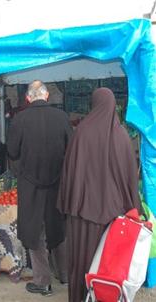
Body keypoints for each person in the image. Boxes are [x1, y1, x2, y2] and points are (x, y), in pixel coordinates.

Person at [56, 87, 142, 302]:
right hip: (112, 217)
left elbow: (69, 172)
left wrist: (69, 202)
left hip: (81, 213)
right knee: (107, 266)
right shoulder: (121, 136)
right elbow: (129, 177)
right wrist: (134, 207)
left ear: (93, 104)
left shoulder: (81, 132)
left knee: (82, 260)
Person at [7, 80, 72, 297]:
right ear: (46, 96)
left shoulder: (20, 119)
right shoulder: (62, 117)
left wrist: (21, 170)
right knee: (59, 228)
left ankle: (43, 281)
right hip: (57, 183)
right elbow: (70, 149)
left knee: (36, 232)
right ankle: (65, 275)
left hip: (30, 184)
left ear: (27, 98)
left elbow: (13, 151)